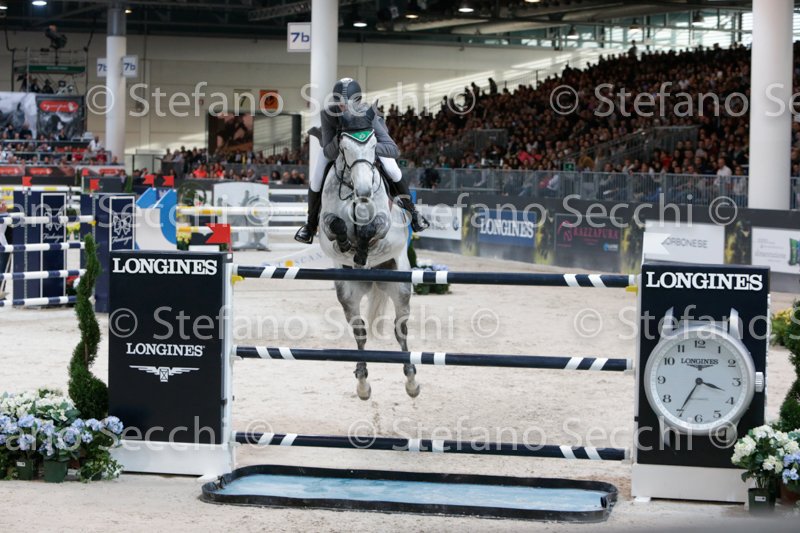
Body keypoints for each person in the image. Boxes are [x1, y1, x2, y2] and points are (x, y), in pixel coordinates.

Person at [294, 77, 429, 244]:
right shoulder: (328, 114)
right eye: (341, 103)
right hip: (338, 150)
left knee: (393, 170)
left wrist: (365, 149)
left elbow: (393, 149)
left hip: (368, 150)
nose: (344, 107)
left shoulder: (369, 113)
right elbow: (329, 152)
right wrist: (341, 139)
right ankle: (310, 225)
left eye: (349, 103)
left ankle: (413, 213)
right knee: (316, 179)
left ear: (358, 101)